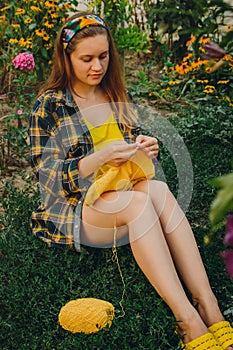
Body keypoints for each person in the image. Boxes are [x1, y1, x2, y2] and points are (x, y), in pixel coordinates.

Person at [29, 12, 233, 349]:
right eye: (87, 59)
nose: (98, 66)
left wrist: (144, 147)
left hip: (118, 190)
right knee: (138, 204)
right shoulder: (50, 106)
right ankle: (187, 319)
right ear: (66, 59)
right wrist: (100, 157)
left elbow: (130, 146)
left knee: (161, 190)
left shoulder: (113, 93)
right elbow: (49, 183)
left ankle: (208, 304)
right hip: (77, 209)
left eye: (104, 56)